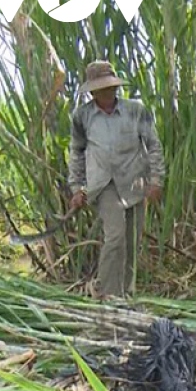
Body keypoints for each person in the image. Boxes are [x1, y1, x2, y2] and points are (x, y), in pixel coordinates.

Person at [67, 60, 166, 298]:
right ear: (92, 91)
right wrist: (76, 187)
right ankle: (109, 295)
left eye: (110, 86)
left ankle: (126, 293)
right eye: (101, 88)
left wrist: (156, 180)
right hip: (103, 185)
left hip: (134, 181)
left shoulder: (135, 110)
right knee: (115, 237)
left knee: (132, 241)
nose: (107, 92)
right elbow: (76, 152)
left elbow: (153, 145)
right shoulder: (83, 117)